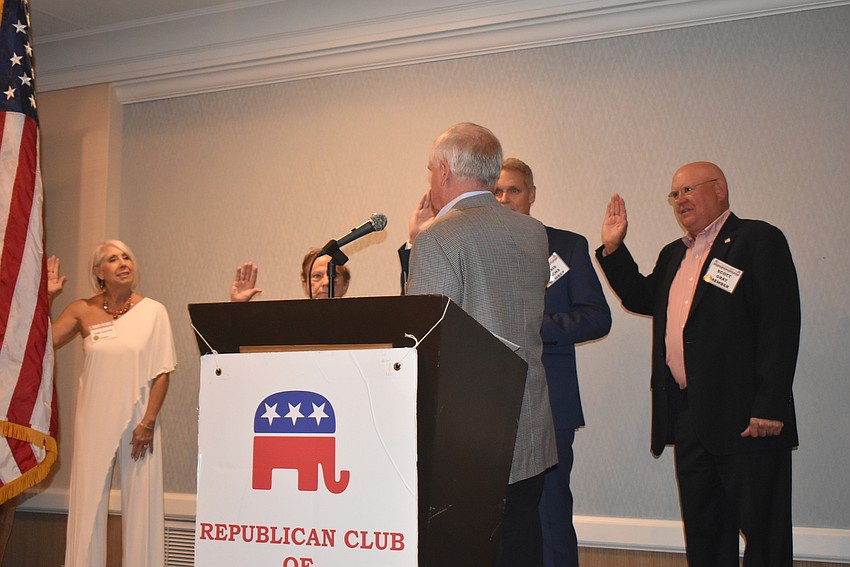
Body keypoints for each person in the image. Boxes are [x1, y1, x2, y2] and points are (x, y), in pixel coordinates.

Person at [401, 157, 611, 566]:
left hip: (547, 402)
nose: (504, 198)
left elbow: (596, 317)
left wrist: (530, 326)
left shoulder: (563, 244)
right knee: (493, 528)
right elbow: (432, 314)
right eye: (497, 191)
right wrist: (415, 244)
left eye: (513, 190)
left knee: (548, 517)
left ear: (532, 194)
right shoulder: (457, 239)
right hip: (482, 410)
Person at [595, 161, 800, 566]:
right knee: (705, 535)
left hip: (748, 420)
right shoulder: (674, 254)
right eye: (674, 194)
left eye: (688, 190)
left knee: (765, 534)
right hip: (690, 418)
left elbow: (781, 325)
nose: (679, 201)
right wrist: (614, 250)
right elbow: (641, 297)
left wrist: (770, 406)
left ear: (720, 189)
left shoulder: (757, 240)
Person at [405, 123, 557, 566]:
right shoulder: (532, 232)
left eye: (431, 170)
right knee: (521, 548)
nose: (431, 180)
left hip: (469, 440)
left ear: (446, 170)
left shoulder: (438, 236)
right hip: (527, 426)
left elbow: (427, 341)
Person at [49, 241, 177, 567]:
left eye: (126, 257)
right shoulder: (81, 309)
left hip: (140, 418)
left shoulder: (154, 311)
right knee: (88, 503)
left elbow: (162, 372)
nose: (123, 263)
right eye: (112, 259)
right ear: (98, 271)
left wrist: (148, 422)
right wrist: (46, 297)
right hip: (93, 416)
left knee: (141, 504)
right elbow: (43, 341)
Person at [230, 249, 351, 302]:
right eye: (317, 276)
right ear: (304, 284)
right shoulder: (286, 322)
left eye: (333, 275)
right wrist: (236, 307)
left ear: (345, 285)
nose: (326, 282)